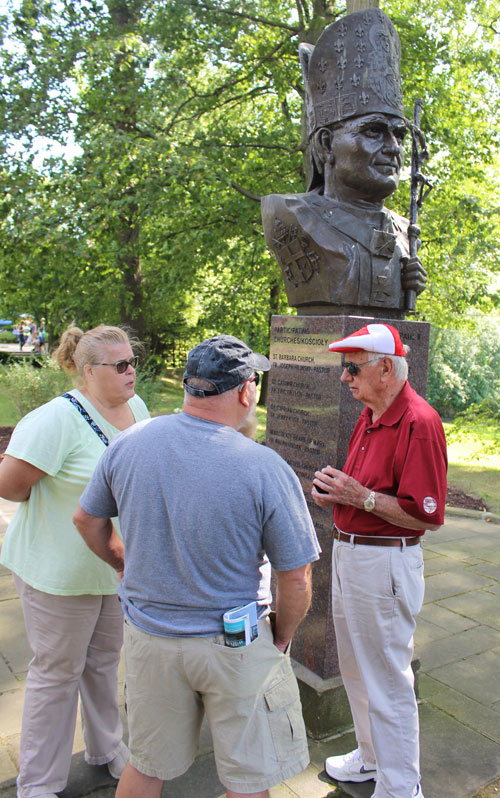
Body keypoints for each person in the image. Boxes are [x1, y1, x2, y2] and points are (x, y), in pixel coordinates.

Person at [73, 334, 322, 798]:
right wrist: (283, 635)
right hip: (236, 647)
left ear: (190, 386)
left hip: (150, 640)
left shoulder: (129, 444)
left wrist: (121, 561)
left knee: (146, 767)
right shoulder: (264, 467)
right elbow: (297, 577)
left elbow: (86, 519)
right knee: (248, 781)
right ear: (248, 391)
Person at [0, 324, 150, 798]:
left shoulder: (138, 409)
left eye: (133, 361)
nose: (132, 372)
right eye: (120, 365)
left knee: (105, 661)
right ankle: (39, 784)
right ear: (88, 371)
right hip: (57, 575)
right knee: (57, 673)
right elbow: (9, 485)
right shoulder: (56, 420)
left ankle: (106, 748)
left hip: (111, 567)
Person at [312, 323, 447, 798]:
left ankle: (402, 786)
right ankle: (372, 759)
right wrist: (339, 495)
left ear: (386, 368)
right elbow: (359, 489)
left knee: (387, 678)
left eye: (353, 367)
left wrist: (361, 497)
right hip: (351, 555)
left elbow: (425, 518)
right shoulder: (369, 415)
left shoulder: (419, 422)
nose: (345, 378)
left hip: (384, 564)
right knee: (354, 667)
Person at [262, 9, 426, 317]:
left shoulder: (406, 231)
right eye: (374, 131)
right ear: (326, 144)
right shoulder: (290, 215)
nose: (393, 148)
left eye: (399, 135)